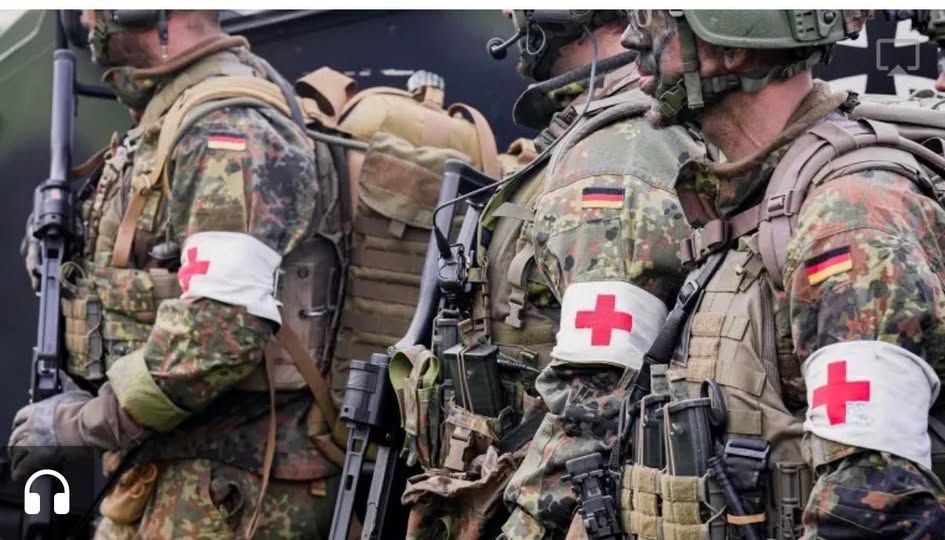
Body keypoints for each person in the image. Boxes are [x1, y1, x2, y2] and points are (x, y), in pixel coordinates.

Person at [9, 10, 340, 538]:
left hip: (230, 489)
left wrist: (84, 424)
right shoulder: (175, 114)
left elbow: (221, 329)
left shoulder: (229, 127)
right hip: (173, 470)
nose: (85, 16)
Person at [618, 9, 945, 539]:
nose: (631, 37)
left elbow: (869, 512)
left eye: (655, 16)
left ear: (733, 49)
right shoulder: (750, 198)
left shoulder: (848, 216)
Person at [482, 11, 708, 540]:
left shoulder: (619, 148)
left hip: (556, 504)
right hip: (513, 479)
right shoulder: (596, 129)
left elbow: (598, 398)